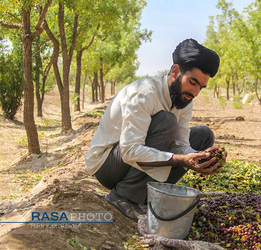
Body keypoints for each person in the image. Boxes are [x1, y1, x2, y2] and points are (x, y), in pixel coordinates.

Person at [85, 38, 227, 221]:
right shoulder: (144, 93)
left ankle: (146, 194)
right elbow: (130, 151)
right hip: (108, 165)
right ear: (175, 71)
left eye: (201, 86)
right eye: (193, 82)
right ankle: (123, 196)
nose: (196, 92)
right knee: (166, 122)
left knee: (203, 136)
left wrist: (200, 158)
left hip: (132, 160)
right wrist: (181, 159)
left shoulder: (184, 100)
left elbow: (181, 144)